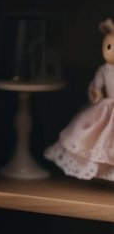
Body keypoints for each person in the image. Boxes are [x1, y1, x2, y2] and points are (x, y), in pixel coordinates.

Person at [45, 19, 114, 181]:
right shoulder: (104, 70)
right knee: (98, 137)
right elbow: (96, 86)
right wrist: (96, 93)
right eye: (109, 47)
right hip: (107, 108)